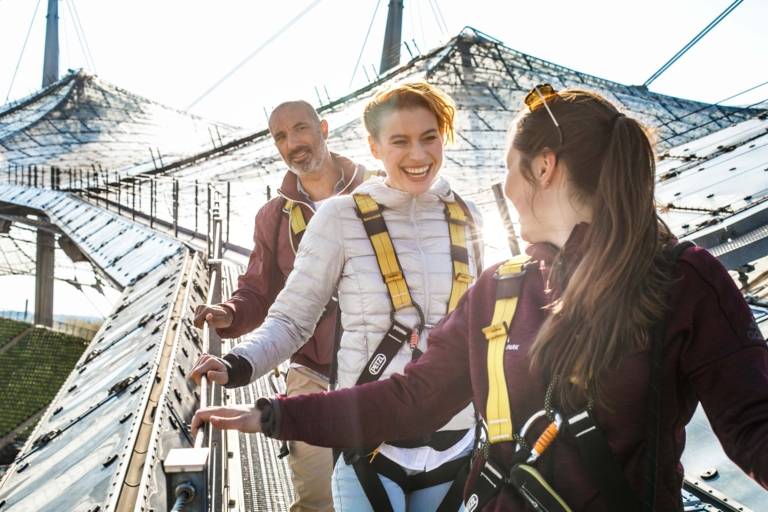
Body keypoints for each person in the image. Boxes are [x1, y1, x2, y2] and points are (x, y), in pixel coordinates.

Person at [192, 86, 768, 511]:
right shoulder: (505, 285)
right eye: (399, 141)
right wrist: (270, 408)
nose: (505, 191)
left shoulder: (681, 280)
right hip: (391, 457)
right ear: (375, 147)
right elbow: (407, 394)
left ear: (542, 169)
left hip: (453, 454)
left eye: (508, 170)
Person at [193, 82, 484, 511]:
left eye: (429, 138)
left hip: (456, 445)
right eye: (400, 141)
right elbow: (292, 318)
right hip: (367, 440)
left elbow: (479, 332)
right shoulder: (341, 217)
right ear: (374, 147)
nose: (418, 156)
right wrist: (238, 365)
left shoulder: (467, 217)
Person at [191, 100, 366, 512]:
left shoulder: (376, 194)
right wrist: (229, 313)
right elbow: (257, 289)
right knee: (318, 498)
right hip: (311, 372)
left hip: (376, 371)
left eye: (301, 129)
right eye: (281, 137)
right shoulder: (274, 216)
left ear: (323, 128)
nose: (293, 143)